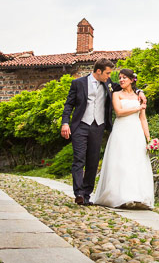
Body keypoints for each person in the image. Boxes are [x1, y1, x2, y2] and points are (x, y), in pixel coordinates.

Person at [60, 59, 146, 205]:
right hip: (80, 125)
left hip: (98, 126)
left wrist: (140, 91)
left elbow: (127, 87)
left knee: (93, 162)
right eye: (107, 73)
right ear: (98, 71)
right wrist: (65, 123)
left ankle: (87, 194)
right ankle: (79, 193)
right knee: (79, 159)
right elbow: (69, 104)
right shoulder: (78, 83)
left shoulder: (108, 83)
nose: (109, 76)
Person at [92, 68, 155, 209]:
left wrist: (148, 138)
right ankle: (121, 196)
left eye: (124, 78)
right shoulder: (116, 94)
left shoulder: (139, 96)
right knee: (121, 163)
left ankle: (137, 196)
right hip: (121, 131)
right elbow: (119, 112)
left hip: (136, 132)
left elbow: (143, 119)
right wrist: (138, 108)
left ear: (132, 80)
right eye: (120, 77)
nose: (121, 80)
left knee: (136, 163)